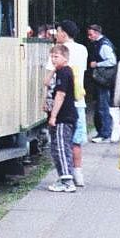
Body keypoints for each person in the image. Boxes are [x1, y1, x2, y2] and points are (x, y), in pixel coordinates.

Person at [51, 20, 88, 186]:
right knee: (76, 140)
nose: (55, 34)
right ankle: (78, 173)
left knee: (61, 141)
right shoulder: (83, 49)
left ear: (64, 33)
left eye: (57, 31)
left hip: (63, 104)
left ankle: (65, 177)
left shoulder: (57, 52)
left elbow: (50, 80)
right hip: (79, 99)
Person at [46, 44, 78, 192]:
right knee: (56, 148)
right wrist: (53, 68)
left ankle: (67, 180)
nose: (53, 59)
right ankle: (64, 176)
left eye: (56, 57)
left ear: (65, 58)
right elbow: (46, 83)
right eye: (52, 56)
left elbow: (61, 95)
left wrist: (53, 116)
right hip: (62, 117)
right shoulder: (61, 71)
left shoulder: (65, 72)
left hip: (63, 117)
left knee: (60, 148)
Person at [86, 24, 116, 142]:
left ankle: (105, 133)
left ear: (97, 33)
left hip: (103, 80)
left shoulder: (103, 45)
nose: (89, 37)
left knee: (103, 106)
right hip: (101, 80)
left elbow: (112, 61)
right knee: (101, 105)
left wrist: (97, 64)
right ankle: (102, 132)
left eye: (91, 34)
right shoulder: (101, 43)